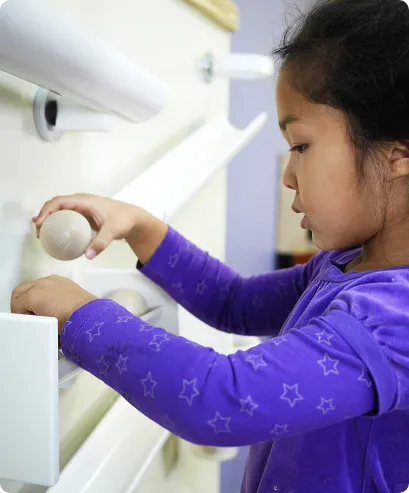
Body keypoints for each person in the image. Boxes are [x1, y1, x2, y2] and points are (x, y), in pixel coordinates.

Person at [10, 0, 409, 491]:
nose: (287, 175)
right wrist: (141, 226)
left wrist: (80, 317)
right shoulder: (342, 266)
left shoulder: (396, 320)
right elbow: (234, 301)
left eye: (300, 145)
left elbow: (219, 400)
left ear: (397, 157)